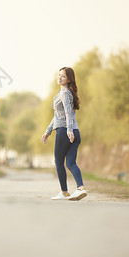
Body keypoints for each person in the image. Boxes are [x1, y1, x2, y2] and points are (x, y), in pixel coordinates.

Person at [41, 67, 87, 201]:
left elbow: (68, 113)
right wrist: (47, 132)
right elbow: (57, 116)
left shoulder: (65, 93)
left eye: (63, 76)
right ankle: (80, 188)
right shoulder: (65, 93)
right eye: (59, 75)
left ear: (69, 79)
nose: (59, 78)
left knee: (59, 162)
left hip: (65, 132)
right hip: (74, 132)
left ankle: (65, 192)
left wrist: (68, 130)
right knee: (71, 163)